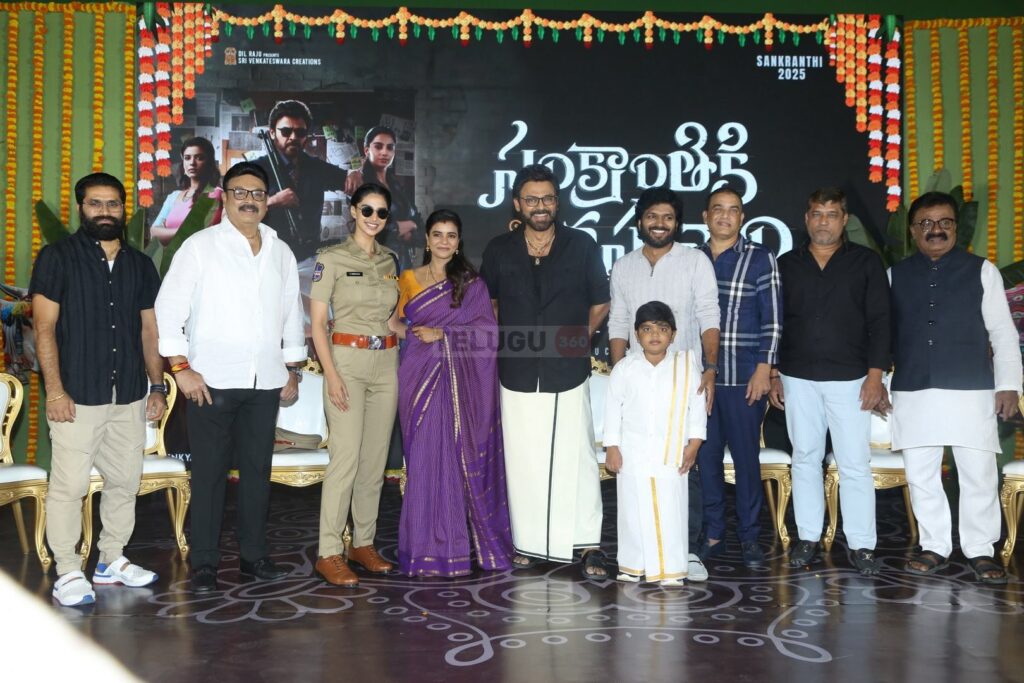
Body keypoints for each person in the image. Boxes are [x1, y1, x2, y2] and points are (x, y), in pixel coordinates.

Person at [155, 162, 305, 593]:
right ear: (225, 195)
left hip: (265, 381)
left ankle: (254, 557)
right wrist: (181, 369)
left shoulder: (279, 250)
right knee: (209, 475)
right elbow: (168, 310)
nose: (249, 200)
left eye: (257, 193)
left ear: (266, 200)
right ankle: (204, 561)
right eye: (240, 192)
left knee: (257, 473)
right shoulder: (200, 246)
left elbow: (291, 313)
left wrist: (292, 368)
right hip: (211, 382)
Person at [30, 173, 164, 606]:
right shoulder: (57, 258)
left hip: (129, 394)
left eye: (113, 204)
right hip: (76, 395)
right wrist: (55, 392)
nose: (105, 212)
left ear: (123, 209)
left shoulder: (140, 264)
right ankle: (68, 569)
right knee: (69, 487)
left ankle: (111, 560)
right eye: (95, 203)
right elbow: (44, 329)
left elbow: (149, 331)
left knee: (125, 482)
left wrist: (157, 386)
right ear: (81, 208)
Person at [480, 164, 611, 579]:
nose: (541, 206)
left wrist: (576, 339)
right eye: (532, 199)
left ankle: (587, 543)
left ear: (557, 202)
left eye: (548, 198)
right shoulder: (499, 249)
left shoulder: (582, 244)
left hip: (567, 367)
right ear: (517, 204)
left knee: (579, 457)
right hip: (517, 368)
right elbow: (490, 304)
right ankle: (530, 543)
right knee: (524, 458)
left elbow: (601, 302)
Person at [889, 192, 1021, 584]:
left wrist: (1008, 385)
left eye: (944, 222)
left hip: (971, 388)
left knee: (978, 474)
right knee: (921, 474)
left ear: (955, 227)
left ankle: (980, 549)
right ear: (913, 230)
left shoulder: (982, 271)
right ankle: (934, 545)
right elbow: (881, 333)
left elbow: (1003, 333)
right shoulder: (895, 275)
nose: (936, 230)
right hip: (913, 387)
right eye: (926, 223)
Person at [768, 187, 890, 576]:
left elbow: (881, 322)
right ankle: (807, 537)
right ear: (806, 219)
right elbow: (775, 324)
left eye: (832, 214)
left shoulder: (866, 262)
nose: (824, 221)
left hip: (852, 379)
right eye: (817, 214)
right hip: (797, 377)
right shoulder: (786, 264)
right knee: (805, 457)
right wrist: (774, 373)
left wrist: (875, 375)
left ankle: (862, 544)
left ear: (844, 219)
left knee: (854, 462)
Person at [607, 185, 720, 582]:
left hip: (683, 377)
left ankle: (687, 551)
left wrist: (709, 367)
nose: (659, 223)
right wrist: (621, 371)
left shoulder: (695, 261)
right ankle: (641, 553)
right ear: (640, 221)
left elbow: (709, 314)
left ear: (677, 223)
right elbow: (619, 320)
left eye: (668, 217)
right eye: (652, 216)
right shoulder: (624, 266)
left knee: (684, 466)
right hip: (639, 377)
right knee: (637, 470)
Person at [396, 209, 514, 576]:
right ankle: (422, 549)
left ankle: (453, 549)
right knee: (422, 460)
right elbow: (395, 323)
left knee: (450, 459)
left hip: (456, 382)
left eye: (451, 235)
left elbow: (488, 335)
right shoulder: (408, 278)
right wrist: (414, 334)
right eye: (438, 234)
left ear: (459, 241)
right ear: (427, 239)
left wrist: (443, 335)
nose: (444, 241)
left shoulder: (472, 284)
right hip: (416, 375)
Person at [309, 182, 406, 587]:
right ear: (353, 211)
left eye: (381, 212)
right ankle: (329, 551)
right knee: (345, 459)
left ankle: (362, 544)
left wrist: (430, 332)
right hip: (346, 362)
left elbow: (393, 320)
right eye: (367, 210)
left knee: (374, 462)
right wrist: (331, 374)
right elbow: (317, 324)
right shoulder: (330, 259)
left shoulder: (390, 259)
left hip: (386, 364)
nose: (373, 218)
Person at [696, 187, 782, 568]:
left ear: (742, 218)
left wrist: (765, 368)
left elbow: (773, 319)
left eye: (733, 210)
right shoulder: (692, 259)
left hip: (745, 378)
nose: (725, 216)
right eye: (718, 209)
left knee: (747, 461)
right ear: (705, 216)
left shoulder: (760, 258)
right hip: (700, 381)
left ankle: (749, 537)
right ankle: (714, 533)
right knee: (707, 459)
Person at [603, 302, 706, 585]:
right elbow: (612, 409)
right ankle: (632, 566)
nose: (655, 335)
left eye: (662, 328)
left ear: (673, 334)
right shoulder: (625, 368)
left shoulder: (686, 366)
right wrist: (612, 446)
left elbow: (697, 408)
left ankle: (670, 569)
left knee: (671, 510)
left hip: (671, 452)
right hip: (633, 452)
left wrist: (694, 444)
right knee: (632, 510)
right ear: (636, 335)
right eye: (647, 329)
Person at [254, 99, 361, 262]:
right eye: (286, 131)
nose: (293, 137)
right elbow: (232, 214)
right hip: (267, 259)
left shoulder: (316, 167)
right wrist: (272, 202)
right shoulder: (254, 169)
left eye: (300, 132)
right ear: (272, 133)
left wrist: (354, 173)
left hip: (308, 258)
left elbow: (351, 181)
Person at [361, 126, 424, 271]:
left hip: (404, 265)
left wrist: (409, 230)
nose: (385, 152)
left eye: (390, 148)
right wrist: (409, 225)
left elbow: (420, 227)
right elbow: (373, 232)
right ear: (367, 150)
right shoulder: (361, 185)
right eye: (378, 146)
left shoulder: (396, 185)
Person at [151, 137, 223, 245]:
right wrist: (182, 232)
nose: (192, 163)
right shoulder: (174, 197)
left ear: (209, 162)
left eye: (199, 158)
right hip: (171, 255)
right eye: (187, 158)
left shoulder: (216, 194)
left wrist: (166, 232)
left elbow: (203, 234)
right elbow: (153, 233)